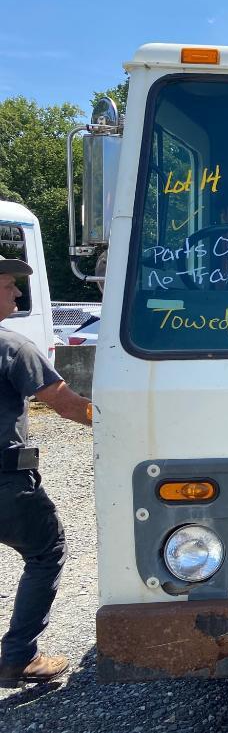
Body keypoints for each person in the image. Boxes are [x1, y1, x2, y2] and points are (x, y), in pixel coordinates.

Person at [0, 256, 92, 687]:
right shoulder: (13, 348)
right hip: (6, 484)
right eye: (8, 284)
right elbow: (66, 405)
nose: (18, 293)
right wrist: (124, 422)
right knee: (45, 553)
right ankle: (18, 657)